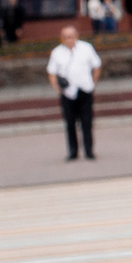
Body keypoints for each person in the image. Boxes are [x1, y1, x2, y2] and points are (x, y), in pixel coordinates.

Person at [46, 24, 102, 162]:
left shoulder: (86, 48)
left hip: (84, 89)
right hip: (67, 92)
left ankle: (89, 150)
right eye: (65, 37)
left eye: (70, 36)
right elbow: (51, 71)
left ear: (76, 36)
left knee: (87, 121)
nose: (68, 39)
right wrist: (56, 87)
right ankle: (73, 151)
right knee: (70, 123)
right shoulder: (57, 53)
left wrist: (93, 82)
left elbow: (96, 65)